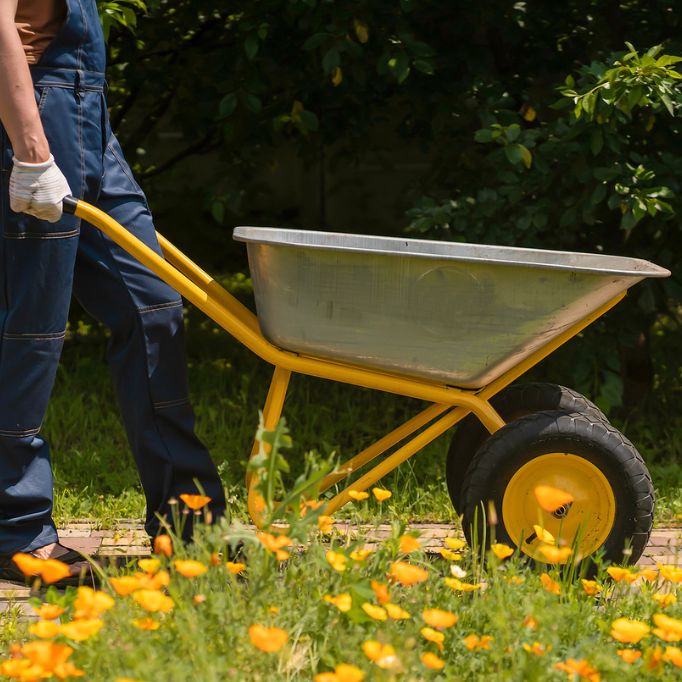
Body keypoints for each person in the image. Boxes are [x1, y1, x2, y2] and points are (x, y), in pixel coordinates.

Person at [0, 0, 226, 584]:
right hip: (32, 122)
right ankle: (16, 531)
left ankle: (188, 518)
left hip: (87, 123)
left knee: (153, 307)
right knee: (31, 331)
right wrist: (31, 152)